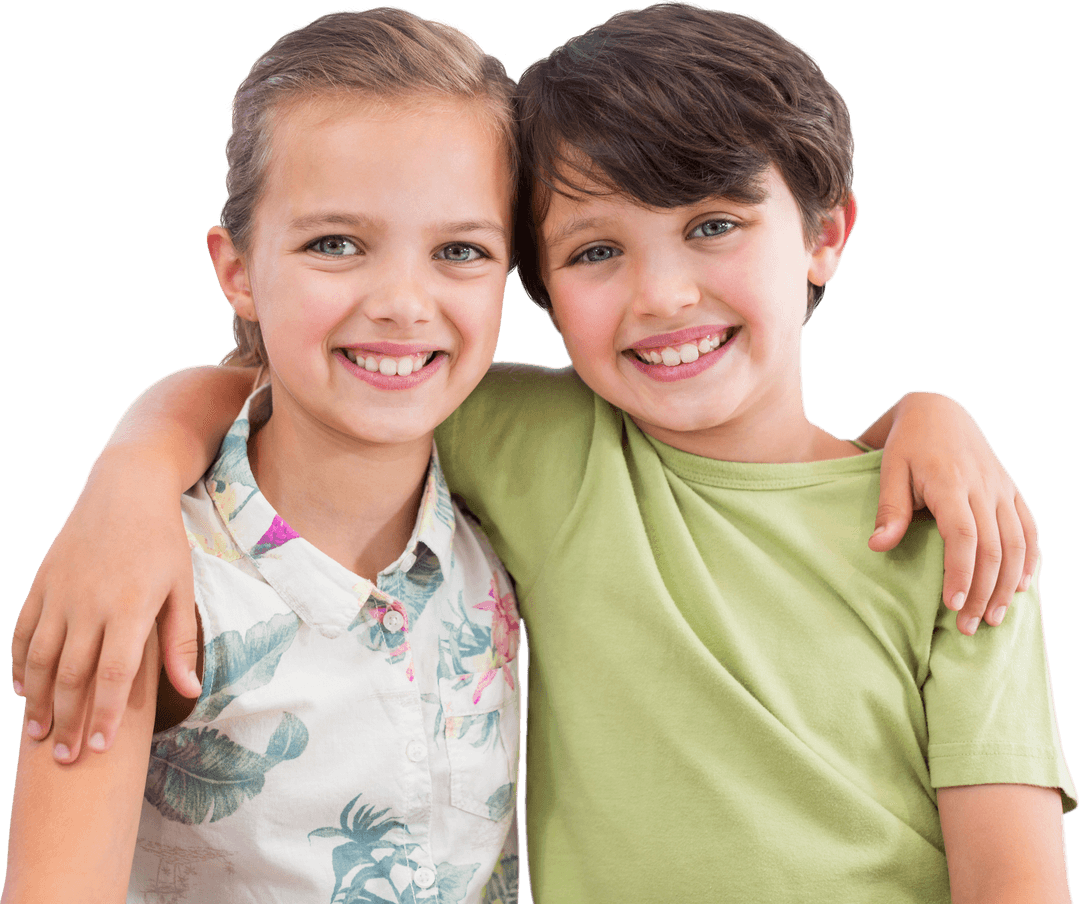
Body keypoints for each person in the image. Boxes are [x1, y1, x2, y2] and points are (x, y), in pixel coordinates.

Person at [7, 3, 1066, 903]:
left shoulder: (955, 538)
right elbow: (295, 378)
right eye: (598, 250)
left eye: (713, 225)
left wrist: (935, 410)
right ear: (543, 288)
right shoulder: (531, 445)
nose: (661, 295)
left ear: (826, 234)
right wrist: (133, 473)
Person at [3, 9, 523, 903]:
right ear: (237, 269)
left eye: (459, 251)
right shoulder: (149, 588)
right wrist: (132, 477)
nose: (404, 301)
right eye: (335, 243)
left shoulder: (520, 513)